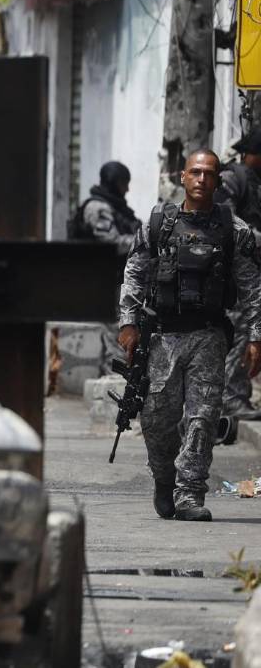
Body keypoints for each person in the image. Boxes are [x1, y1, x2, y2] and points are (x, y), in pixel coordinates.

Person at [118, 149, 261, 522]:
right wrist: (128, 323)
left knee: (203, 418)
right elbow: (134, 272)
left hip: (209, 337)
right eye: (195, 172)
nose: (201, 179)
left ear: (217, 180)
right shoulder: (157, 223)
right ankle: (165, 480)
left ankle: (189, 493)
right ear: (183, 177)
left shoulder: (234, 230)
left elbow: (252, 288)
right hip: (163, 337)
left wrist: (255, 337)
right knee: (156, 420)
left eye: (209, 174)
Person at [216, 128, 261, 419]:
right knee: (241, 331)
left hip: (253, 270)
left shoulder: (254, 180)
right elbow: (225, 219)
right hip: (235, 273)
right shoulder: (234, 177)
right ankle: (232, 399)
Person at [71, 160, 141, 254]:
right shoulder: (97, 208)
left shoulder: (116, 207)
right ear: (113, 184)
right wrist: (142, 242)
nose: (127, 189)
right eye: (123, 184)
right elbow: (112, 243)